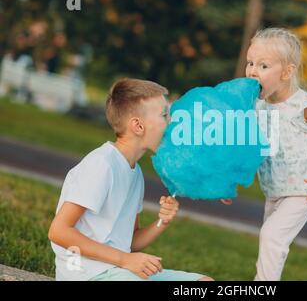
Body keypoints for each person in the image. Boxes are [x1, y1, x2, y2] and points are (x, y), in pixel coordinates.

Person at [48, 78, 213, 281]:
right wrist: (125, 260)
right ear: (138, 126)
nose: (171, 122)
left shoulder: (135, 174)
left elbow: (130, 242)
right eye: (164, 115)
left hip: (119, 270)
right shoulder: (102, 165)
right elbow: (59, 231)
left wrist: (163, 221)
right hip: (87, 274)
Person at [223, 28, 307, 280]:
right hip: (275, 190)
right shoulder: (257, 106)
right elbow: (249, 147)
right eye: (250, 63)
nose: (252, 71)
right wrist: (231, 180)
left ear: (287, 72)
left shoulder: (303, 104)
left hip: (306, 189)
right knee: (271, 243)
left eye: (264, 65)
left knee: (272, 236)